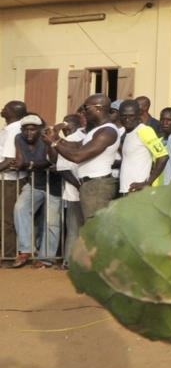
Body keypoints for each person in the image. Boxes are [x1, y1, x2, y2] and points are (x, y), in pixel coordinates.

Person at [46, 95, 119, 221]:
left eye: (86, 108)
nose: (83, 112)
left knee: (96, 230)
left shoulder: (107, 131)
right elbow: (77, 146)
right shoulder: (96, 130)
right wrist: (56, 138)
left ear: (98, 109)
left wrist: (54, 143)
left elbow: (78, 156)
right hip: (92, 185)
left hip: (97, 186)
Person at [10, 115, 63, 268]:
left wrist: (29, 164)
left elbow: (51, 161)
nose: (29, 133)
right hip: (35, 182)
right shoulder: (18, 138)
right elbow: (20, 160)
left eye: (32, 129)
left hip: (54, 184)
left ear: (39, 129)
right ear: (21, 130)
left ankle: (46, 258)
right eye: (26, 129)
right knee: (20, 208)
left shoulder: (47, 137)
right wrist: (20, 164)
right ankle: (26, 249)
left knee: (51, 222)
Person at [117, 100, 169, 195]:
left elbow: (163, 156)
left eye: (131, 116)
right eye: (124, 116)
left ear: (138, 115)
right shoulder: (128, 133)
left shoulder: (144, 131)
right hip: (127, 189)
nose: (127, 119)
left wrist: (147, 183)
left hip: (139, 191)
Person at [54, 114, 85, 270]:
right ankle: (68, 262)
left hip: (95, 192)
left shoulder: (96, 136)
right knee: (74, 229)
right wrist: (80, 186)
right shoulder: (72, 139)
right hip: (75, 192)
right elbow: (63, 169)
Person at [0, 101, 27, 259]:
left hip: (9, 180)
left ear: (14, 112)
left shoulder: (14, 130)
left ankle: (8, 255)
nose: (3, 109)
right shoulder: (8, 129)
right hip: (5, 178)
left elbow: (9, 159)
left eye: (6, 108)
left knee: (7, 219)